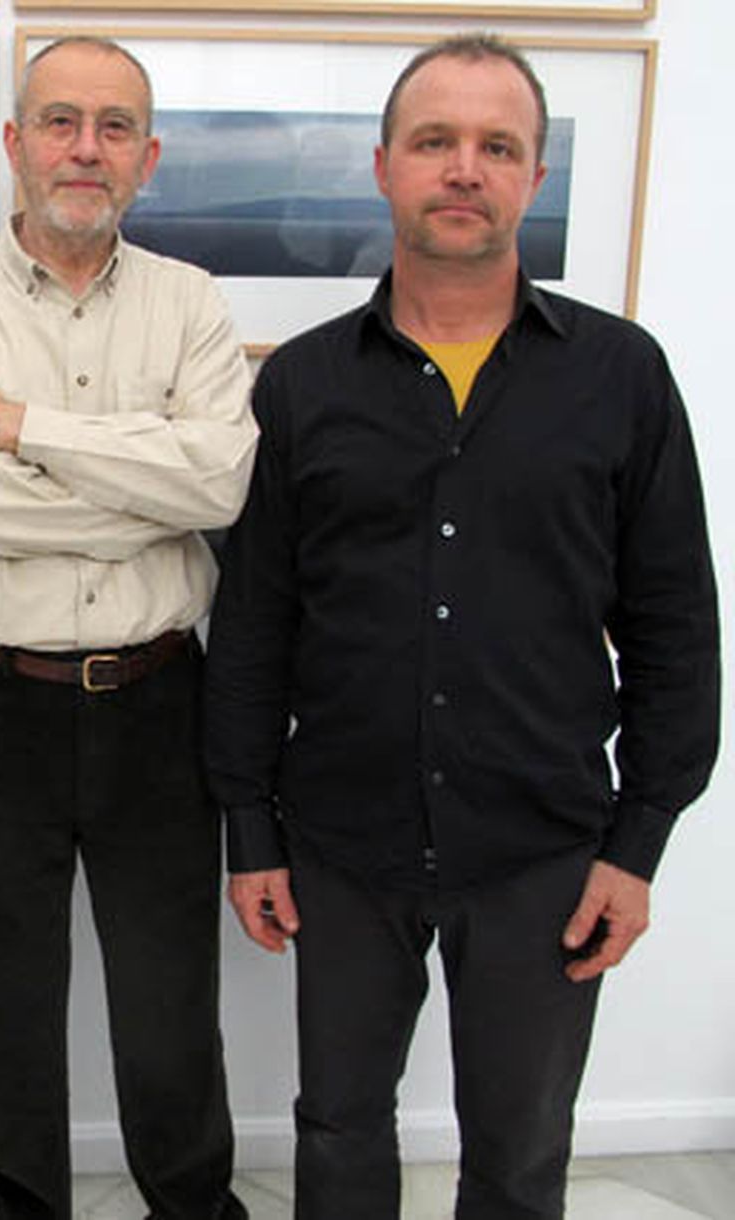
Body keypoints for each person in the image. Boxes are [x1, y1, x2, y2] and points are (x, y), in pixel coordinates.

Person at [204, 34, 719, 1220]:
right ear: (383, 165)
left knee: (521, 1151)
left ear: (534, 176)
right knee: (337, 1124)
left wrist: (638, 844)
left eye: (496, 145)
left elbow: (675, 628)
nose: (463, 168)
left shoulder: (621, 375)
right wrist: (248, 827)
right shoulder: (303, 384)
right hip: (339, 838)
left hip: (544, 846)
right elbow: (255, 622)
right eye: (434, 140)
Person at [0, 36, 257, 1220]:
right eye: (59, 121)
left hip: (159, 697)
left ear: (148, 156)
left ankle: (190, 1203)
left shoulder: (189, 303)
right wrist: (145, 485)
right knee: (7, 988)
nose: (84, 149)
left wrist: (18, 427)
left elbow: (219, 486)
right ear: (15, 143)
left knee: (169, 992)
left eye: (113, 127)